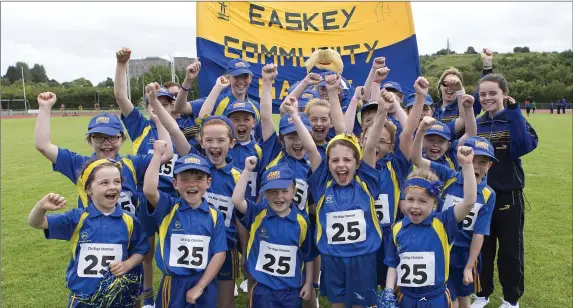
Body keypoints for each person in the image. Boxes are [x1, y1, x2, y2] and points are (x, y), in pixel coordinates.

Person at [302, 89, 390, 307]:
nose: (341, 165)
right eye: (335, 161)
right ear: (328, 164)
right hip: (332, 260)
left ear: (357, 163)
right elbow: (312, 150)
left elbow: (370, 147)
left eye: (347, 160)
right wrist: (296, 117)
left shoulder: (366, 183)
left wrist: (382, 113)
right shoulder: (323, 186)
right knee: (337, 304)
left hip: (363, 259)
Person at [28, 160, 150, 307]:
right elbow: (36, 223)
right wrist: (41, 207)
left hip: (116, 297)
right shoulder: (77, 218)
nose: (112, 187)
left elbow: (141, 250)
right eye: (104, 183)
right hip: (83, 298)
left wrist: (127, 264)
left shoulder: (129, 220)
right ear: (88, 189)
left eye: (117, 181)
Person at [412, 120, 497, 308]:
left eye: (482, 162)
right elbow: (417, 159)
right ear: (462, 158)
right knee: (448, 298)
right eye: (472, 159)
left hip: (465, 253)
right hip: (440, 246)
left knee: (464, 299)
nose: (476, 166)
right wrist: (421, 131)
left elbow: (479, 233)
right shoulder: (447, 175)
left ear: (489, 165)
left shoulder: (488, 194)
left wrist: (469, 265)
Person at [380, 145, 478, 308]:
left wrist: (467, 165)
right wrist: (389, 291)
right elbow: (393, 264)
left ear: (434, 203)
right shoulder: (396, 228)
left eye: (423, 201)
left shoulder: (444, 223)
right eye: (410, 199)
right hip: (406, 297)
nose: (415, 206)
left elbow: (469, 202)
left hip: (436, 299)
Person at [472, 74, 538, 308]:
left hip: (508, 195)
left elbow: (524, 146)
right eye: (483, 94)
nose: (487, 98)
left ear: (504, 94)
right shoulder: (476, 123)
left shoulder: (513, 119)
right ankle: (481, 294)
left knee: (510, 251)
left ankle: (511, 300)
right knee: (482, 249)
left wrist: (514, 112)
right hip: (480, 197)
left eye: (493, 93)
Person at [143, 147, 227, 308]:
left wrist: (200, 286)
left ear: (208, 182)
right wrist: (157, 155)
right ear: (175, 183)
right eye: (185, 179)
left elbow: (219, 253)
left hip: (204, 282)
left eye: (198, 178)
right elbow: (149, 190)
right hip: (173, 284)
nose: (192, 184)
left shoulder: (215, 215)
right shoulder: (168, 208)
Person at [232, 159, 318, 308]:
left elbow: (309, 256)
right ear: (265, 194)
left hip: (291, 292)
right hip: (262, 289)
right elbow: (237, 200)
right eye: (273, 191)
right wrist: (246, 170)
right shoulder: (257, 214)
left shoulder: (301, 222)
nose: (279, 196)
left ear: (294, 192)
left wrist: (308, 283)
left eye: (284, 191)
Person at [175, 58, 264, 142]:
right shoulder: (215, 101)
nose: (241, 81)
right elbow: (180, 108)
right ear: (229, 78)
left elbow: (260, 139)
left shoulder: (256, 107)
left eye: (245, 76)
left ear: (250, 79)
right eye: (236, 77)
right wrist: (188, 80)